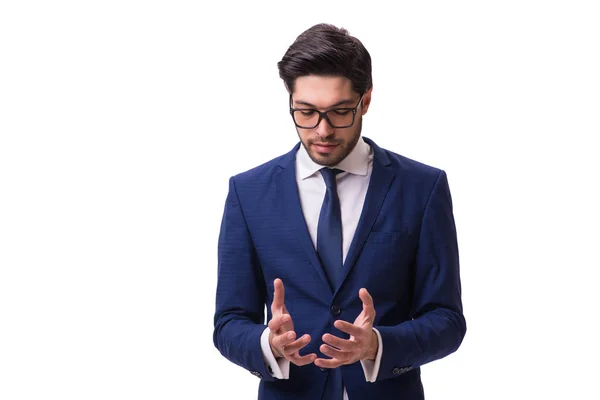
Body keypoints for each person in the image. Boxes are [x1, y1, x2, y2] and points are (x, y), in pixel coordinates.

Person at [213, 23, 466, 400]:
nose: (322, 130)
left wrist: (378, 345)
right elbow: (228, 322)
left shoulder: (422, 188)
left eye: (340, 112)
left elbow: (446, 320)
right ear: (290, 100)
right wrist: (267, 343)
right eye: (306, 112)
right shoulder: (248, 193)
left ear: (365, 101)